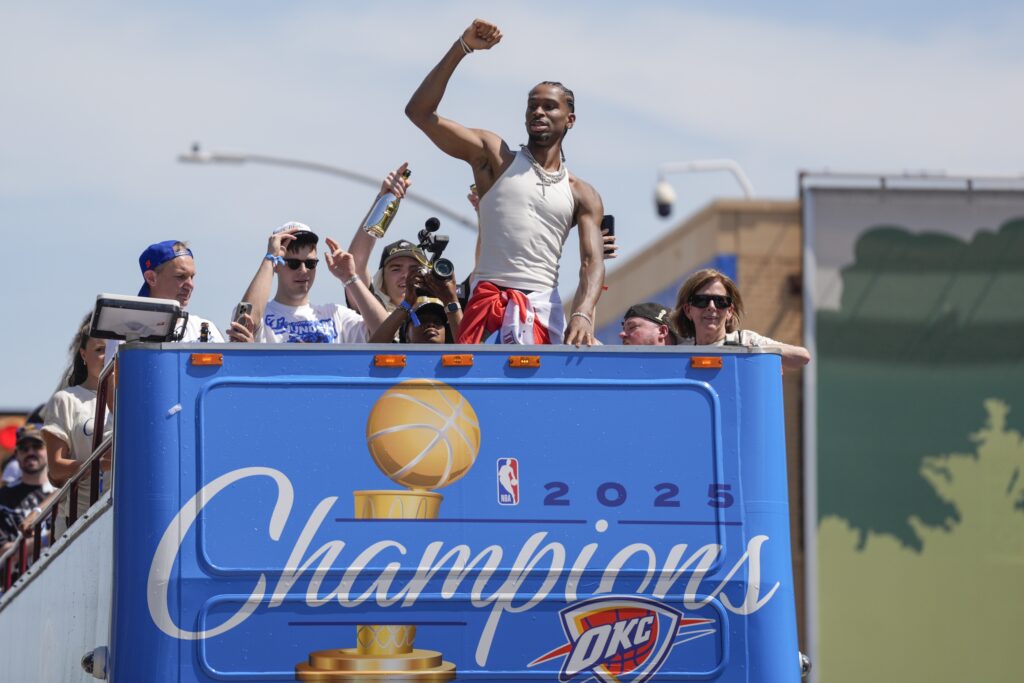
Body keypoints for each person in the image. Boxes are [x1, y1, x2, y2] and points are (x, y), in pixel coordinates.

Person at [406, 18, 605, 346]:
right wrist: (463, 47)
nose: (538, 112)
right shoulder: (495, 158)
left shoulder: (582, 193)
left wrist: (582, 313)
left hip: (543, 311)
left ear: (569, 119)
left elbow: (591, 261)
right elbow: (419, 113)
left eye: (549, 106)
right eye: (532, 106)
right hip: (487, 306)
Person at [232, 223, 388, 344]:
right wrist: (269, 259)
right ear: (277, 265)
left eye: (310, 264)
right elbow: (245, 322)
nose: (303, 270)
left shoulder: (335, 315)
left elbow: (386, 333)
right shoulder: (263, 315)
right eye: (293, 263)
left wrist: (350, 278)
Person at [106, 240, 227, 359]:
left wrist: (245, 348)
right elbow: (114, 379)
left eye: (192, 276)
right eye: (181, 276)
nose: (190, 284)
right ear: (151, 278)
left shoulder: (206, 327)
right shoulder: (124, 331)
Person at [43, 314, 113, 518]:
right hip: (80, 519)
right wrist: (99, 464)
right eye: (99, 350)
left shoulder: (136, 400)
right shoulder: (66, 399)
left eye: (112, 351)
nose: (107, 357)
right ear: (83, 355)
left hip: (125, 510)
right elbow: (55, 469)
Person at [671, 269, 811, 369]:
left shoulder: (745, 340)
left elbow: (802, 357)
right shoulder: (678, 352)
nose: (712, 307)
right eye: (701, 300)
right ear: (688, 310)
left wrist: (751, 352)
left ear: (730, 311)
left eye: (720, 301)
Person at [0, 424, 56, 553]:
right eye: (24, 448)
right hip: (21, 573)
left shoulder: (65, 491)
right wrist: (47, 538)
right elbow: (3, 551)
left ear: (49, 450)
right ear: (16, 454)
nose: (30, 452)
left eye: (37, 447)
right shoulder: (3, 498)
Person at [368, 271, 463, 344]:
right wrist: (407, 302)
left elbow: (468, 347)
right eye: (422, 321)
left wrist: (451, 300)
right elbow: (372, 350)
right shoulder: (397, 362)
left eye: (437, 322)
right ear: (406, 335)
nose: (431, 325)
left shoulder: (458, 361)